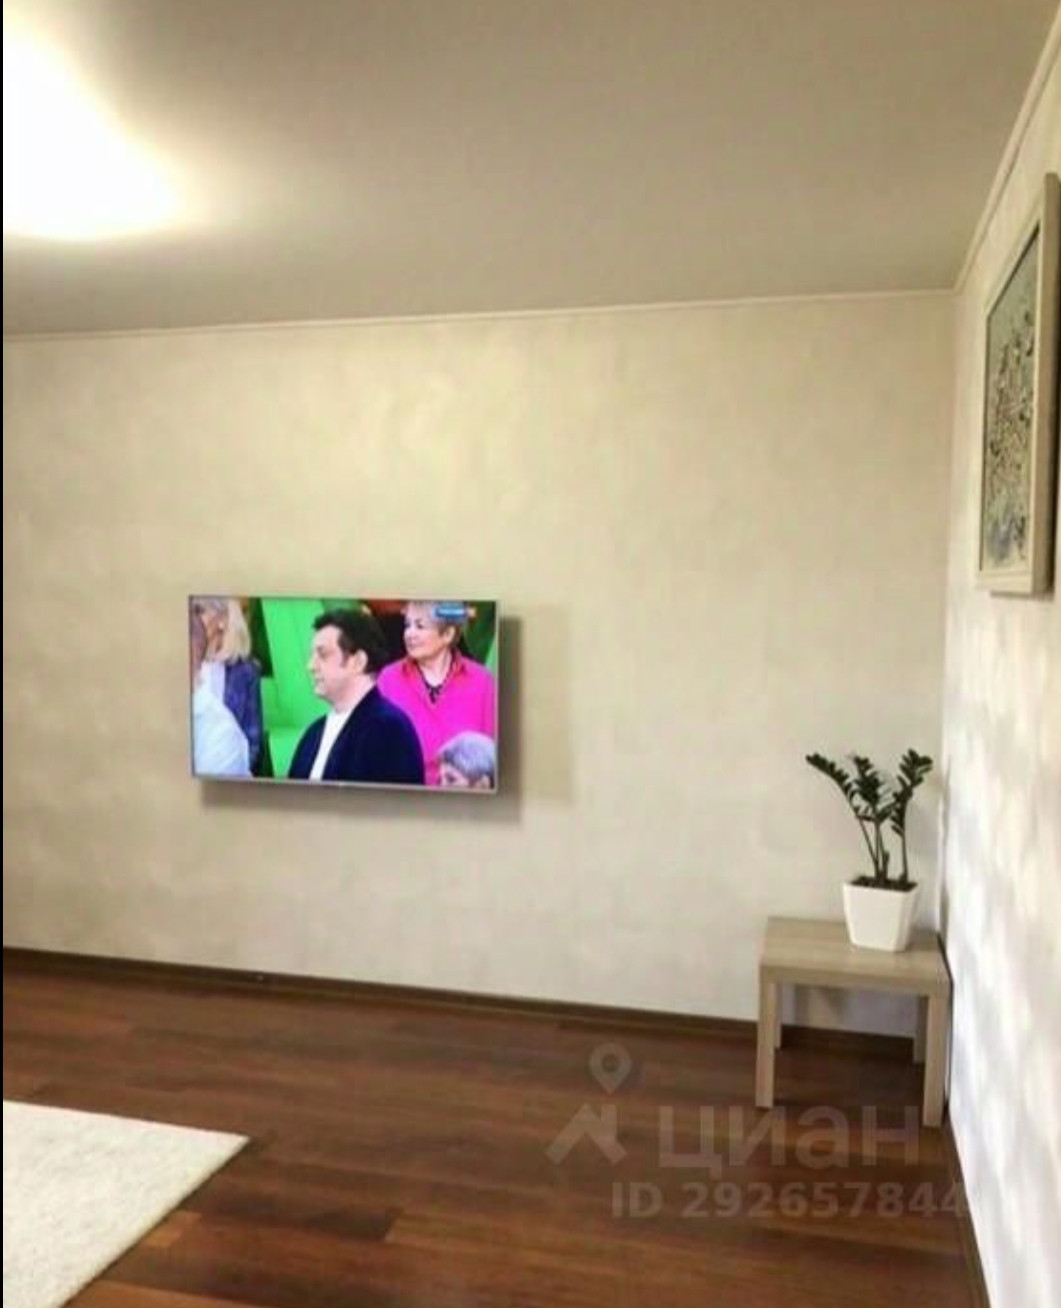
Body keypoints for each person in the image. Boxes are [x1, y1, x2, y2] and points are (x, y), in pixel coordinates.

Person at [288, 608, 425, 785]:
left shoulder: (388, 729)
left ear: (358, 661)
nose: (311, 666)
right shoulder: (314, 733)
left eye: (323, 655)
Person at [377, 601, 497, 786]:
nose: (409, 634)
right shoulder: (388, 678)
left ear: (447, 634)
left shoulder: (482, 681)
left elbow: (492, 756)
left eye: (420, 626)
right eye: (407, 625)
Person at [192, 597, 264, 770]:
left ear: (222, 621)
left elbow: (253, 741)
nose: (192, 619)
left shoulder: (245, 672)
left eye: (199, 611)